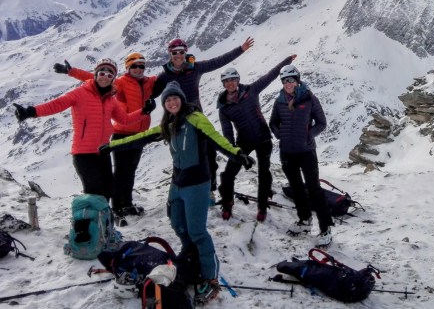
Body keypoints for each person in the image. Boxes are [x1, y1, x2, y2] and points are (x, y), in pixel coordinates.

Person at [101, 81, 253, 305]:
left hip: (197, 183)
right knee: (178, 224)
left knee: (198, 231)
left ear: (181, 99)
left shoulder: (195, 118)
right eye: (168, 100)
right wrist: (113, 145)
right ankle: (191, 256)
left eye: (175, 98)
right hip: (177, 183)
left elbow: (217, 139)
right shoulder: (168, 124)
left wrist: (237, 154)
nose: (172, 102)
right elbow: (141, 137)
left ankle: (210, 278)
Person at [12, 58, 148, 201]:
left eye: (109, 75)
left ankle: (104, 216)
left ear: (113, 79)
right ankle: (91, 216)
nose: (105, 77)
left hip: (103, 152)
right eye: (102, 73)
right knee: (95, 194)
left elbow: (124, 120)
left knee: (108, 190)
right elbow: (57, 104)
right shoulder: (80, 93)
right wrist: (31, 111)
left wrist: (144, 111)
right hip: (84, 155)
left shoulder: (110, 99)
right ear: (96, 74)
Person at [54, 52, 157, 217]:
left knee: (130, 171)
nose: (138, 69)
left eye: (141, 66)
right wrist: (72, 72)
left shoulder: (148, 82)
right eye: (134, 66)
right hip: (122, 133)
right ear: (128, 67)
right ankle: (116, 207)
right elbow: (98, 79)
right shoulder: (120, 82)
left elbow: (168, 77)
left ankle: (127, 204)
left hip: (139, 133)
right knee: (120, 172)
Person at [152, 36, 254, 201]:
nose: (178, 55)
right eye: (174, 52)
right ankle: (181, 190)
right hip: (178, 122)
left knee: (209, 154)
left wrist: (240, 49)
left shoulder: (196, 68)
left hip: (197, 119)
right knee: (182, 157)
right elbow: (151, 93)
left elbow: (218, 61)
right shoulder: (164, 76)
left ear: (186, 52)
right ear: (170, 54)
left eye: (181, 52)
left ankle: (209, 189)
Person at [217, 54, 297, 222]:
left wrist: (287, 60)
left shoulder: (251, 90)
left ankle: (262, 206)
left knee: (264, 173)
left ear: (238, 80)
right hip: (243, 141)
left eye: (233, 80)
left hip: (263, 138)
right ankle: (227, 202)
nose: (230, 83)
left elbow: (270, 75)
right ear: (223, 84)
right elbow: (227, 131)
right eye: (226, 81)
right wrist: (234, 151)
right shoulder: (223, 106)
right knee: (228, 173)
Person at [268, 64, 334, 247]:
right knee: (297, 188)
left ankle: (325, 228)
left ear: (297, 80)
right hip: (287, 152)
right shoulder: (279, 101)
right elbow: (273, 123)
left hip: (306, 152)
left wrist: (308, 135)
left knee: (314, 189)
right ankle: (305, 219)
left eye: (291, 80)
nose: (288, 84)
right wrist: (280, 135)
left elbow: (321, 122)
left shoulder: (309, 98)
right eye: (285, 81)